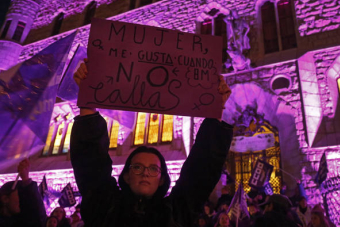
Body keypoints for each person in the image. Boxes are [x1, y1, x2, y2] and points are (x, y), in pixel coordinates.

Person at [71, 61, 233, 226]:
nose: (145, 173)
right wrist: (87, 103)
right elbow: (90, 164)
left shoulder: (175, 214)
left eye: (153, 169)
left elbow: (200, 173)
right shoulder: (105, 207)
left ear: (162, 179)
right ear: (127, 175)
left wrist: (215, 111)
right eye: (138, 167)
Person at [0, 158, 47, 227]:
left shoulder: (21, 221)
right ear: (5, 199)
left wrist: (26, 181)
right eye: (19, 195)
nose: (21, 200)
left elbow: (39, 218)